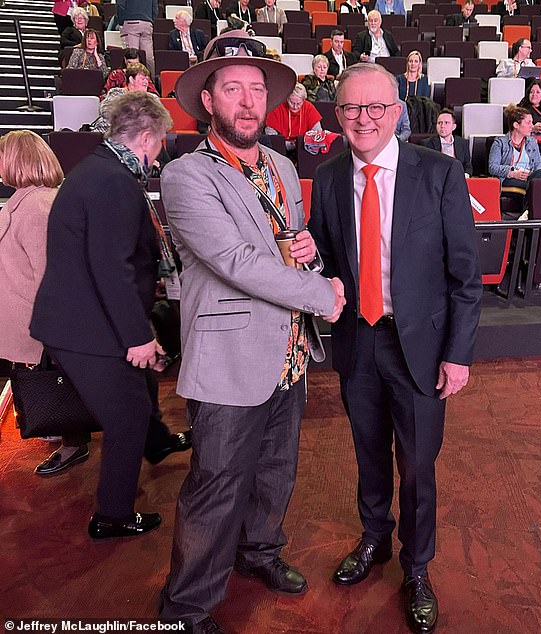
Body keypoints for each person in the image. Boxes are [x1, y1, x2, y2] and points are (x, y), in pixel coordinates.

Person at [158, 31, 345, 634]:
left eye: (257, 90)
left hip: (289, 354)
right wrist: (323, 291)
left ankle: (259, 553)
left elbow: (285, 248)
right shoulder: (187, 175)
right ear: (207, 100)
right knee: (216, 486)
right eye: (232, 88)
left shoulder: (285, 168)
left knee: (275, 471)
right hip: (229, 361)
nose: (247, 102)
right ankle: (186, 609)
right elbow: (235, 261)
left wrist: (309, 253)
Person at [308, 62, 481, 634]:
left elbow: (465, 278)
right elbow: (330, 263)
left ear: (399, 111)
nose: (365, 118)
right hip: (358, 341)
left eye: (376, 107)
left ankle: (417, 567)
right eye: (352, 108)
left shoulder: (439, 174)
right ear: (338, 115)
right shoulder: (329, 178)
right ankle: (375, 539)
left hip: (423, 351)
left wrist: (457, 355)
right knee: (367, 452)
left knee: (418, 465)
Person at [30, 92, 174, 539]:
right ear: (146, 137)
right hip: (84, 326)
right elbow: (111, 267)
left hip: (80, 319)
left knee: (138, 389)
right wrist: (138, 336)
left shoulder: (96, 169)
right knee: (128, 412)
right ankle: (112, 515)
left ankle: (157, 444)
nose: (161, 152)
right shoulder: (114, 181)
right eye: (161, 142)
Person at [0, 132, 87, 472]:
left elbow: (50, 274)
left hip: (40, 320)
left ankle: (72, 444)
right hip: (31, 316)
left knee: (58, 386)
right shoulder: (30, 201)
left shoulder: (37, 206)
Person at [488, 105, 541, 214]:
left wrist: (532, 174)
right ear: (516, 125)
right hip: (508, 179)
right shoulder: (500, 143)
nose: (532, 126)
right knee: (535, 188)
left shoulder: (532, 142)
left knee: (540, 175)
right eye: (528, 123)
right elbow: (492, 167)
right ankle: (529, 214)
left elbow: (539, 165)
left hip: (529, 178)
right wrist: (512, 173)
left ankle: (526, 214)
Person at [92, 63, 153, 133]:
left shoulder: (152, 98)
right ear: (131, 80)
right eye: (142, 78)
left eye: (147, 79)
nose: (146, 82)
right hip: (109, 134)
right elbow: (106, 112)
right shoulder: (116, 93)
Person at [265, 83, 322, 150]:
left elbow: (318, 135)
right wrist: (288, 145)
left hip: (304, 149)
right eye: (291, 102)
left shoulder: (309, 108)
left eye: (299, 103)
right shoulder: (278, 107)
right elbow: (271, 138)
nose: (295, 107)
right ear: (287, 98)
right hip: (281, 149)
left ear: (304, 100)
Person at [423, 108, 473, 177]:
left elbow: (468, 165)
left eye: (446, 123)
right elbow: (427, 167)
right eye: (439, 123)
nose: (442, 126)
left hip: (458, 179)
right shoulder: (427, 144)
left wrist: (466, 175)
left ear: (454, 126)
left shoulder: (463, 143)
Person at [117, 0, 157, 77]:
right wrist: (150, 20)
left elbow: (120, 5)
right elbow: (155, 7)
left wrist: (121, 22)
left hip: (130, 22)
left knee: (132, 56)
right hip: (147, 23)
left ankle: (132, 83)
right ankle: (151, 83)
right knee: (148, 58)